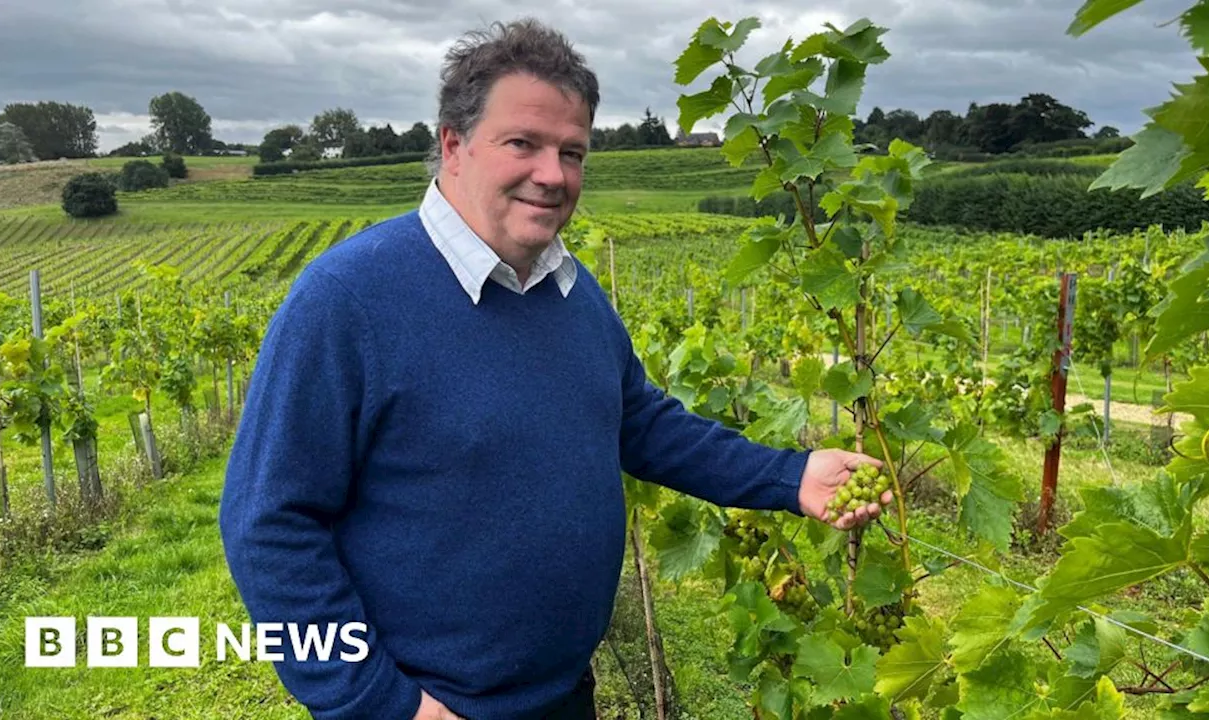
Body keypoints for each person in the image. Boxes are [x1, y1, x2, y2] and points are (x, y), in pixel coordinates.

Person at [218, 17, 891, 720]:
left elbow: (639, 421)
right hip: (435, 707)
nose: (553, 175)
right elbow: (268, 524)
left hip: (564, 696)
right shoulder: (347, 300)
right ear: (454, 145)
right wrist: (378, 702)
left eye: (573, 152)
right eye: (524, 144)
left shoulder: (570, 289)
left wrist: (789, 476)